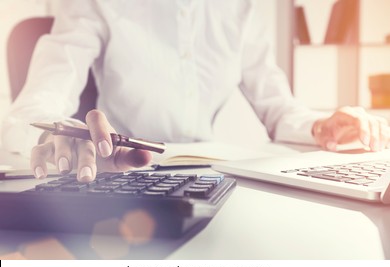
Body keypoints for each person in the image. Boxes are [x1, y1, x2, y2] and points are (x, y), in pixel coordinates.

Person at [2, 0, 389, 182]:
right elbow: (42, 97)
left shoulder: (241, 9)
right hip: (117, 176)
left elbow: (280, 109)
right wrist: (51, 130)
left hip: (213, 176)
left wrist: (323, 126)